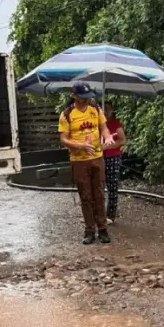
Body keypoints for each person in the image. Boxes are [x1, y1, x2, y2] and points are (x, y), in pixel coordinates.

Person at [58, 82, 115, 245]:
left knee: (99, 194)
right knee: (86, 196)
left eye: (87, 97)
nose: (85, 100)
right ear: (74, 96)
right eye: (82, 98)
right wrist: (80, 146)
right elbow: (63, 139)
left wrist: (107, 136)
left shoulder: (95, 109)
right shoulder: (67, 115)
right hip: (79, 160)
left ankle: (103, 229)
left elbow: (103, 127)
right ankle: (89, 230)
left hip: (97, 157)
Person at [102, 102, 127, 225]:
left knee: (112, 187)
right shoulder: (98, 123)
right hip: (99, 158)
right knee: (98, 187)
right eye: (103, 109)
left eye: (108, 110)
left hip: (113, 157)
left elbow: (122, 140)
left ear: (111, 111)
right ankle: (98, 215)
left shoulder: (115, 123)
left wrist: (108, 147)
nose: (105, 112)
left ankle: (111, 215)